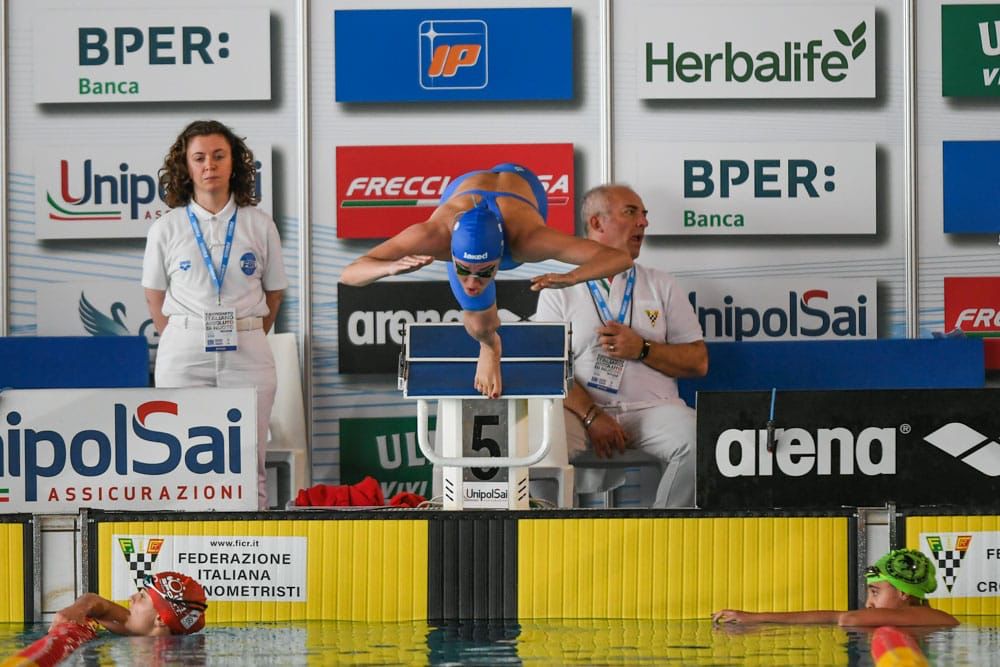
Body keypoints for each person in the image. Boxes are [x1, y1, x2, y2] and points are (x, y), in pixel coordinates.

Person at [340, 163, 633, 399]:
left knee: (478, 311)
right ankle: (490, 347)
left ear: (503, 254)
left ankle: (489, 342)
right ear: (450, 252)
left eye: (485, 271)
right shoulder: (432, 235)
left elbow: (620, 259)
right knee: (481, 325)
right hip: (465, 184)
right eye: (464, 269)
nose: (472, 282)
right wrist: (388, 267)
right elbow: (349, 274)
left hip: (522, 184)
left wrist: (571, 277)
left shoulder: (528, 239)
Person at [142, 120, 287, 510]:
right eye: (200, 157)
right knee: (184, 460)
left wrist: (249, 329)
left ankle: (254, 549)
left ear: (234, 164)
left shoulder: (259, 223)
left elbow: (274, 292)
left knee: (249, 459)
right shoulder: (167, 227)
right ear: (185, 167)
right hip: (184, 352)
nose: (210, 165)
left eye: (219, 156)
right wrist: (183, 336)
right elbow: (154, 296)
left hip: (248, 350)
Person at [534, 184, 708, 508]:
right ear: (597, 223)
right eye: (631, 212)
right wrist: (592, 416)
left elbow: (698, 362)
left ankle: (666, 537)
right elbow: (546, 369)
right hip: (580, 413)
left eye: (644, 215)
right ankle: (552, 540)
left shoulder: (661, 284)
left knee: (700, 442)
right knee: (541, 442)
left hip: (653, 410)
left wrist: (643, 348)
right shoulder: (559, 290)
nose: (644, 223)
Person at [712, 548, 959, 627]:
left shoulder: (932, 618)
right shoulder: (920, 619)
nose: (869, 603)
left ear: (903, 593)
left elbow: (848, 619)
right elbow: (834, 615)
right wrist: (754, 618)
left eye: (875, 593)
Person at [51, 571, 208, 636]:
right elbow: (95, 601)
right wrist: (78, 610)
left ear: (160, 619)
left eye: (142, 597)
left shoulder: (166, 657)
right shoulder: (134, 625)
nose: (131, 597)